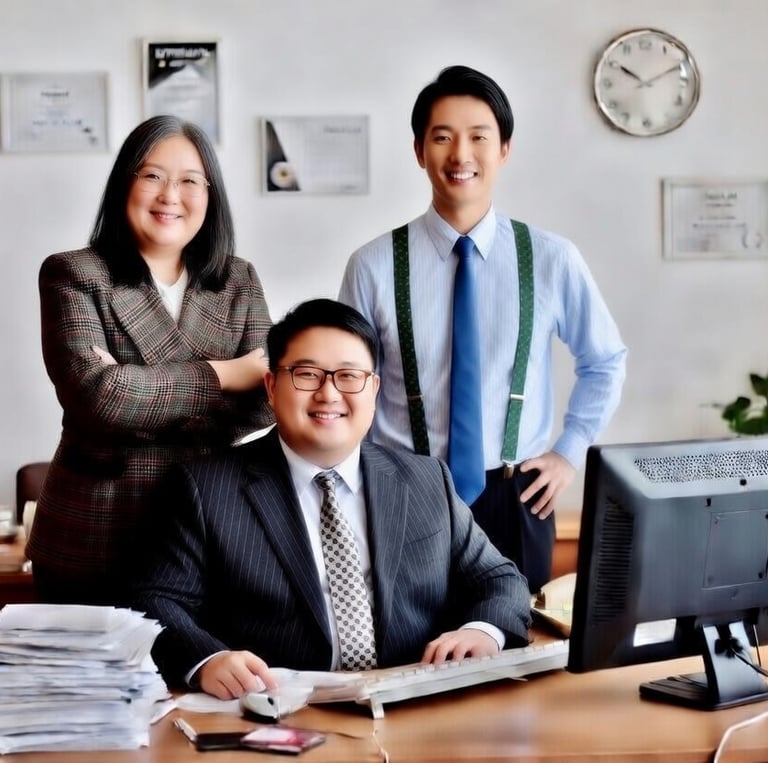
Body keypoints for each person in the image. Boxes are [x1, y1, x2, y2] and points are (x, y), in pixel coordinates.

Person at [133, 299, 531, 699]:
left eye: (349, 376)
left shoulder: (426, 480)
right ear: (272, 387)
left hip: (412, 700)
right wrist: (208, 659)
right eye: (307, 374)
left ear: (373, 389)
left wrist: (483, 631)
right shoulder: (206, 488)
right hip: (281, 707)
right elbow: (159, 601)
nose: (328, 393)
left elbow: (499, 579)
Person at [339, 65, 627, 594]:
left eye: (478, 137)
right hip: (405, 491)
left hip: (519, 496)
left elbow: (605, 359)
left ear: (504, 150)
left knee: (517, 637)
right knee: (412, 637)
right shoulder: (373, 265)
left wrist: (568, 451)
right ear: (419, 150)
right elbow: (348, 384)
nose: (460, 155)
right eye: (442, 137)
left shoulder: (551, 258)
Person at [28, 115, 274, 606]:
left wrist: (134, 388)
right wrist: (227, 375)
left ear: (210, 194)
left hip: (205, 525)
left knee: (203, 657)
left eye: (190, 181)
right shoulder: (73, 273)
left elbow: (268, 398)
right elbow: (100, 398)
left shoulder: (238, 279)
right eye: (153, 176)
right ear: (125, 182)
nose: (170, 195)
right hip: (95, 532)